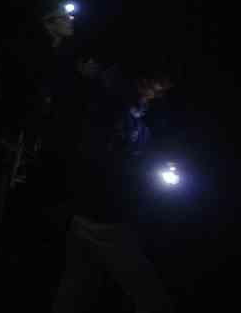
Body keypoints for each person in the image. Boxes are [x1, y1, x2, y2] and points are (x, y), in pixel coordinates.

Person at [49, 56, 176, 313]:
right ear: (141, 80)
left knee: (76, 285)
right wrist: (146, 173)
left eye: (163, 88)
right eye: (156, 85)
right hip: (105, 214)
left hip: (88, 211)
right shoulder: (112, 111)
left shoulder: (125, 109)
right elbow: (105, 160)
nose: (158, 93)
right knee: (146, 290)